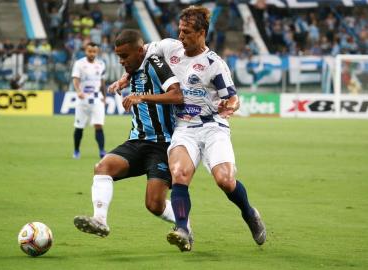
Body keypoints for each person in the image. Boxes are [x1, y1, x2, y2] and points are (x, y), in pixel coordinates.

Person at [110, 6, 266, 252]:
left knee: (225, 181)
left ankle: (249, 213)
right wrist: (124, 78)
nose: (181, 36)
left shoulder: (215, 64)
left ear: (201, 32)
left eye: (187, 32)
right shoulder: (168, 47)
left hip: (213, 126)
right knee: (180, 174)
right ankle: (182, 229)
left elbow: (233, 97)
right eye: (179, 30)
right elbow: (136, 56)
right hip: (184, 128)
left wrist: (230, 105)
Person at [73, 29, 185, 238]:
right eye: (119, 57)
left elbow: (177, 95)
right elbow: (131, 70)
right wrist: (122, 81)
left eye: (124, 56)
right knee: (102, 168)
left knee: (154, 205)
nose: (122, 61)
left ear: (140, 51)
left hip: (163, 145)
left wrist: (141, 97)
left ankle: (184, 224)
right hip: (137, 141)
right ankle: (100, 220)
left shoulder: (155, 63)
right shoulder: (133, 66)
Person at [71, 42, 107, 159]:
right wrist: (78, 91)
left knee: (98, 125)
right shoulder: (79, 64)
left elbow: (102, 82)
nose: (92, 53)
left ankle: (102, 151)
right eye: (89, 51)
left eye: (94, 51)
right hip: (83, 99)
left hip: (97, 99)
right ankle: (76, 150)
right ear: (86, 51)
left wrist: (104, 96)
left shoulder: (101, 64)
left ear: (97, 52)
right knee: (79, 126)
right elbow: (76, 79)